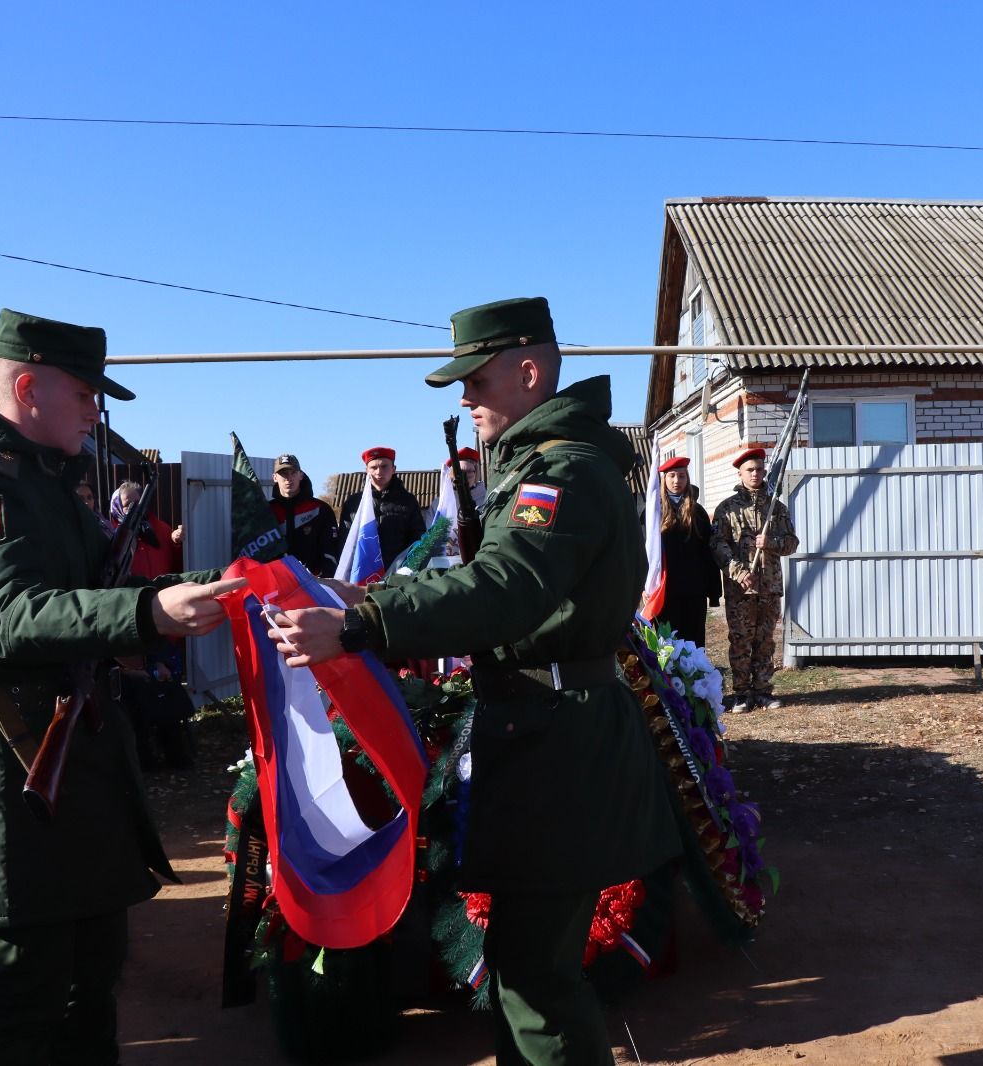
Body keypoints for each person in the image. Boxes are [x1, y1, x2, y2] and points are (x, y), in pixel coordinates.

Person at [271, 296, 680, 1066]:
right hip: (545, 731)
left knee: (536, 984)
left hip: (560, 742)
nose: (466, 398)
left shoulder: (563, 471)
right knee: (533, 976)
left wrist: (362, 626)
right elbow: (497, 584)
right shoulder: (548, 461)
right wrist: (363, 597)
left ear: (529, 372)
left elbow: (502, 591)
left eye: (477, 380)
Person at [0, 308, 241, 1065]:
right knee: (27, 996)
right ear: (26, 387)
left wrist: (222, 583)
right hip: (17, 767)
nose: (96, 409)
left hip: (72, 761)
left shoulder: (41, 480)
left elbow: (97, 585)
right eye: (86, 393)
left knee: (92, 979)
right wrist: (146, 614)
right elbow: (2, 617)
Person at [710, 447, 798, 713]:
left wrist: (770, 542)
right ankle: (740, 693)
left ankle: (763, 691)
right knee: (740, 641)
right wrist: (738, 571)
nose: (755, 474)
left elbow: (792, 543)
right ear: (740, 473)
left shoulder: (776, 508)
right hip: (741, 589)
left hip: (769, 586)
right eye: (750, 470)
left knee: (765, 641)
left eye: (759, 469)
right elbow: (717, 544)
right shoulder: (727, 509)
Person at [655, 455, 721, 647]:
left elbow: (708, 553)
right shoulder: (654, 512)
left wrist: (714, 592)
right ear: (664, 479)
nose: (677, 481)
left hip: (694, 591)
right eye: (672, 476)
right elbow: (644, 553)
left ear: (688, 479)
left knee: (693, 644)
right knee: (666, 646)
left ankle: (695, 677)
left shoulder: (697, 512)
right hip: (665, 593)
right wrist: (644, 586)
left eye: (682, 476)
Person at [339, 446, 426, 569]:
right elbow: (344, 541)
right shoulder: (354, 503)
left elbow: (417, 539)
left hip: (397, 573)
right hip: (360, 572)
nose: (378, 472)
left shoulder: (407, 501)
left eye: (384, 466)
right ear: (366, 471)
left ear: (393, 469)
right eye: (373, 467)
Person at [269, 453, 340, 577]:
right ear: (275, 477)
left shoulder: (320, 509)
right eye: (283, 474)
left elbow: (331, 551)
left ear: (301, 475)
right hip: (276, 584)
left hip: (314, 584)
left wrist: (323, 578)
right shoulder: (267, 512)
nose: (289, 478)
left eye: (293, 472)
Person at [110, 480, 183, 580]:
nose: (134, 508)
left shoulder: (162, 529)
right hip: (133, 594)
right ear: (116, 507)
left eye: (137, 503)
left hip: (163, 592)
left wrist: (177, 543)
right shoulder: (111, 533)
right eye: (127, 505)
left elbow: (178, 565)